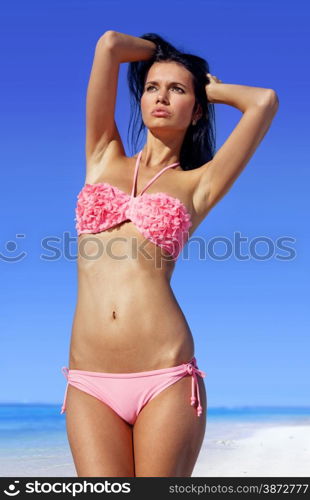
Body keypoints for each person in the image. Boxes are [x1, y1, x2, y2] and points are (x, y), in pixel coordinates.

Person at [60, 30, 279, 477]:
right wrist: (162, 57)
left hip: (165, 375)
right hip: (88, 380)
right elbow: (109, 46)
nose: (161, 97)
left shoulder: (199, 184)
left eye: (177, 90)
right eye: (152, 88)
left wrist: (205, 84)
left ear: (197, 110)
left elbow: (264, 101)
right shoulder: (102, 156)